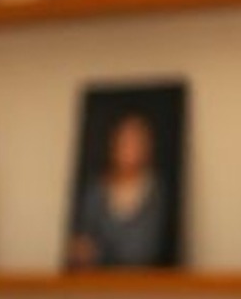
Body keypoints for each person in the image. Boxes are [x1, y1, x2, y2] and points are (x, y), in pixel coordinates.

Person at [67, 111, 171, 268]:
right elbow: (79, 245)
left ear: (148, 147)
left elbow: (141, 251)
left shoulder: (158, 192)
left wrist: (98, 252)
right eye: (124, 141)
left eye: (136, 142)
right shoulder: (95, 191)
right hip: (97, 286)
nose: (129, 149)